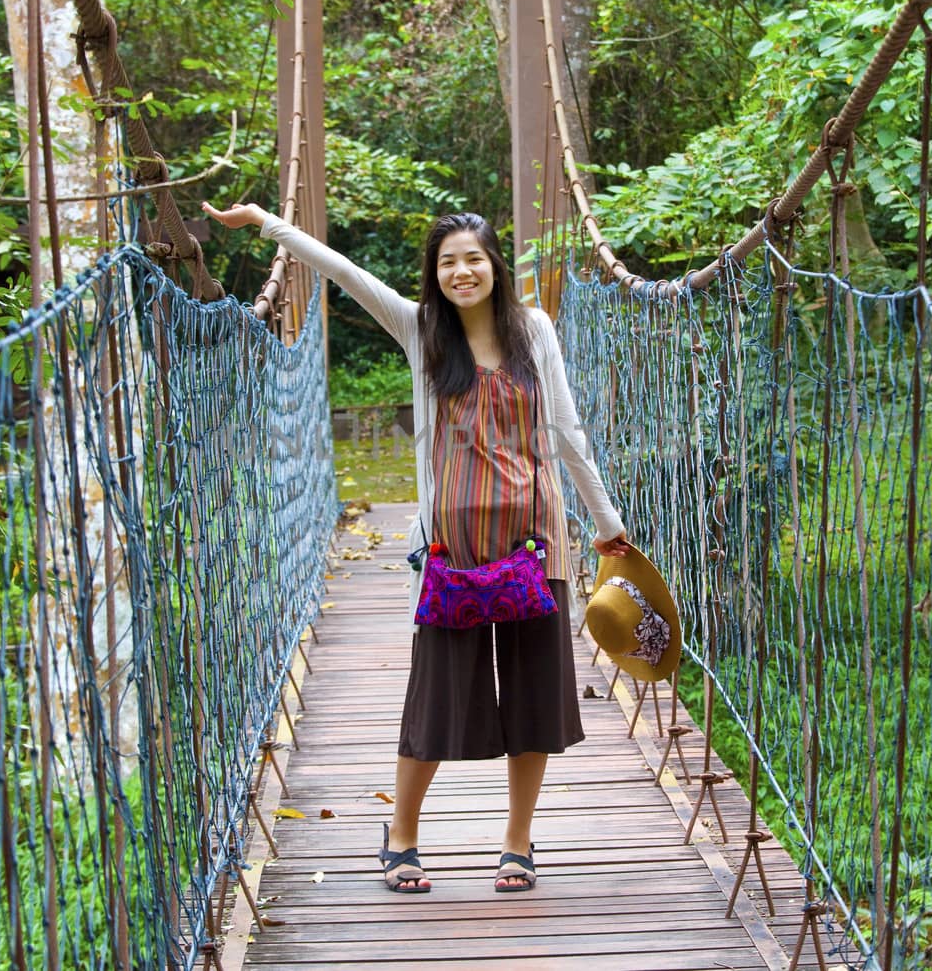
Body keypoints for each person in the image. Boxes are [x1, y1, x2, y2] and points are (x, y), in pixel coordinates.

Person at [202, 200, 630, 894]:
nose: (463, 271)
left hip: (536, 545)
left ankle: (517, 842)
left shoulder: (535, 331)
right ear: (436, 275)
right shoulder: (421, 328)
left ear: (495, 263)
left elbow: (567, 429)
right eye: (448, 261)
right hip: (450, 554)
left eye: (474, 258)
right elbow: (345, 273)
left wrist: (605, 519)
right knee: (435, 699)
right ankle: (401, 833)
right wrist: (265, 224)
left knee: (533, 702)